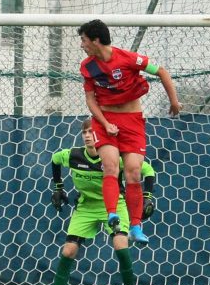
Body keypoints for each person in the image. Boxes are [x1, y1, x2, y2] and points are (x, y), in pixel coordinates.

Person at [77, 19, 181, 245]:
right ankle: (112, 214)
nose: (82, 45)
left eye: (84, 40)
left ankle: (136, 226)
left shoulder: (129, 58)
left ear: (95, 40)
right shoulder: (88, 67)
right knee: (111, 166)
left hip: (132, 122)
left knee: (134, 172)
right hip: (104, 120)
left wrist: (174, 101)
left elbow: (161, 71)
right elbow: (90, 100)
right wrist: (104, 123)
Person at [39, 118, 156, 285]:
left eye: (91, 131)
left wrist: (147, 197)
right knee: (68, 250)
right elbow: (55, 159)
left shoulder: (114, 157)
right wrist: (58, 188)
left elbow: (148, 170)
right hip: (86, 207)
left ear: (101, 135)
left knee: (121, 245)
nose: (87, 136)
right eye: (84, 132)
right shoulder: (72, 156)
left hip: (114, 205)